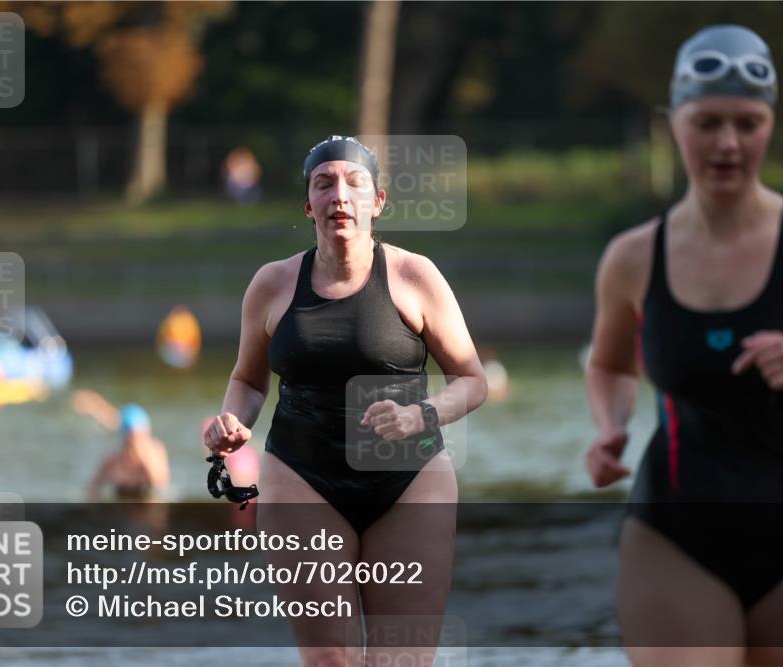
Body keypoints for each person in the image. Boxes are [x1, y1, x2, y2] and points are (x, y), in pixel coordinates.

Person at [584, 25, 783, 666]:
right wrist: (611, 425)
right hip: (675, 533)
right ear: (674, 122)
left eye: (748, 123)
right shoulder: (633, 257)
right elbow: (608, 363)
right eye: (708, 121)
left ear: (769, 125)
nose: (728, 143)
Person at [202, 135, 488, 666]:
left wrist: (419, 415)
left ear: (376, 202)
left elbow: (472, 380)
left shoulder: (414, 276)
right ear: (307, 205)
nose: (340, 195)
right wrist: (232, 425)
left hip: (409, 477)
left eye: (354, 183)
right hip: (301, 476)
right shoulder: (273, 283)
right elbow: (247, 381)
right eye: (324, 183)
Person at [74, 390, 170, 501]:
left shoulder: (154, 453)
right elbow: (93, 488)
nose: (135, 442)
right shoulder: (113, 460)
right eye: (131, 438)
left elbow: (161, 487)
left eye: (138, 437)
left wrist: (145, 464)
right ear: (124, 438)